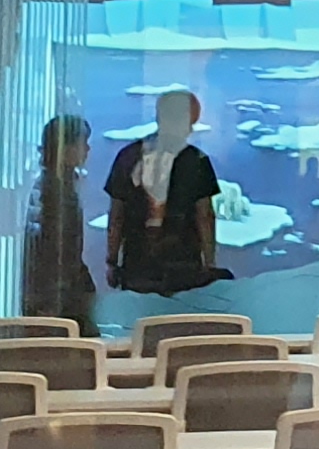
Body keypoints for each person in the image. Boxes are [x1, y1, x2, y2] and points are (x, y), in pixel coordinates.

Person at [106, 89, 223, 298]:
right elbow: (204, 216)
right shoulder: (196, 161)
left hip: (137, 266)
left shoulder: (128, 156)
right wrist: (210, 263)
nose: (190, 128)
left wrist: (112, 261)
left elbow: (117, 215)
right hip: (184, 267)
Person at [25, 114, 97, 326]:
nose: (87, 149)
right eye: (82, 143)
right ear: (65, 148)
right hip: (57, 294)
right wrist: (50, 299)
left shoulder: (56, 185)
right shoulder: (54, 190)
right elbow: (52, 247)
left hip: (60, 289)